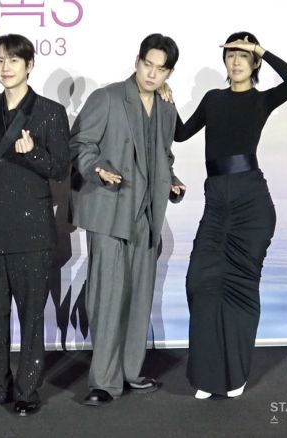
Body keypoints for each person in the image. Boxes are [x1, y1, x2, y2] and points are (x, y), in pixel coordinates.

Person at [174, 32, 287, 399]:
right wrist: (167, 100)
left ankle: (236, 374)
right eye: (231, 54)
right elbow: (180, 134)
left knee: (240, 290)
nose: (236, 60)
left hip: (251, 205)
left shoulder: (262, 100)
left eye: (244, 55)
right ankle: (208, 374)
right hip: (216, 203)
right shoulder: (213, 99)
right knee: (200, 282)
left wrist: (260, 48)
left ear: (255, 62)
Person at [69, 33, 185, 406]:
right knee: (106, 297)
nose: (151, 74)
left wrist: (172, 180)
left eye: (160, 69)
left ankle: (130, 372)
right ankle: (103, 382)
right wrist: (97, 168)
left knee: (138, 298)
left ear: (168, 73)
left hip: (147, 215)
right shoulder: (106, 97)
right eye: (147, 64)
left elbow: (163, 155)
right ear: (137, 61)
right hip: (110, 209)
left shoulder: (166, 108)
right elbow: (80, 144)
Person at [0, 34, 70, 416]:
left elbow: (60, 169)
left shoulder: (50, 112)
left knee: (31, 316)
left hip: (31, 229)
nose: (6, 68)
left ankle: (27, 391)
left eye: (14, 61)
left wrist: (33, 153)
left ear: (30, 65)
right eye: (0, 61)